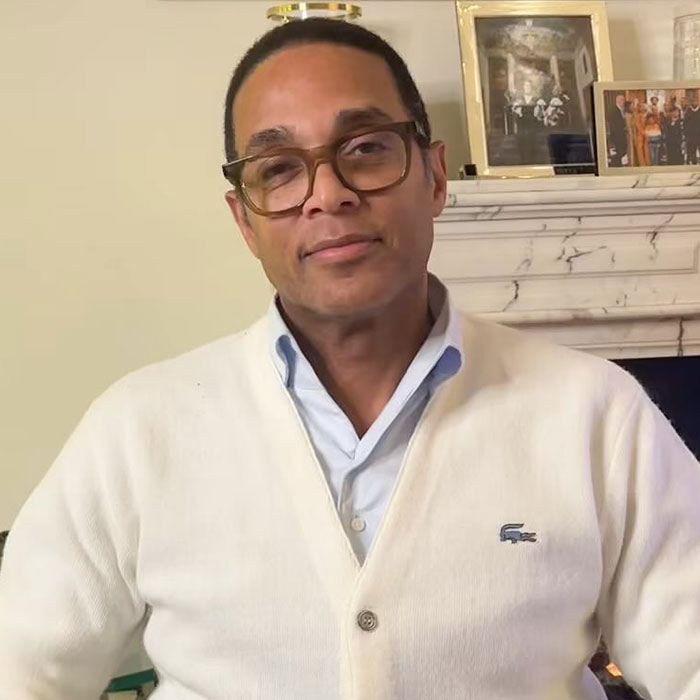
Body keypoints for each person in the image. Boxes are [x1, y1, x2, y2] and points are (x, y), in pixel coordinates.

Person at [1, 17, 700, 700]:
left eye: (365, 148)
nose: (328, 193)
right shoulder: (137, 430)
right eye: (278, 169)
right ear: (244, 220)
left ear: (433, 175)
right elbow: (21, 667)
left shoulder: (596, 415)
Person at [607, 92, 628, 166]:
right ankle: (616, 166)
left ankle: (619, 164)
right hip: (617, 136)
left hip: (621, 135)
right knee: (618, 152)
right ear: (618, 100)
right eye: (622, 100)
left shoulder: (621, 110)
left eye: (624, 100)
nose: (624, 102)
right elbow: (614, 124)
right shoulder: (613, 110)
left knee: (621, 152)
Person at [685, 92, 700, 164]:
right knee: (692, 150)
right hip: (691, 135)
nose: (695, 102)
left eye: (696, 101)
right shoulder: (688, 111)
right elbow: (686, 123)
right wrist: (687, 134)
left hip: (699, 134)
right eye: (693, 101)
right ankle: (694, 163)